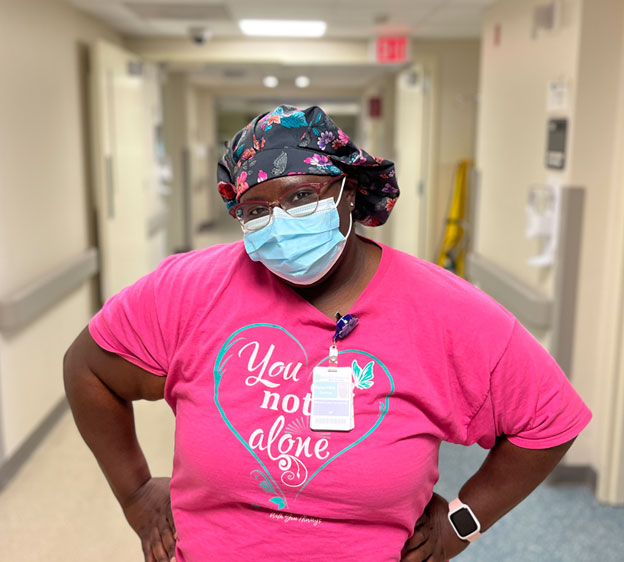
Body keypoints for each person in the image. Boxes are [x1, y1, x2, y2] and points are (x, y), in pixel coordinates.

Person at [63, 105, 591, 562]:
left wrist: (462, 522)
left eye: (301, 197)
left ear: (349, 191)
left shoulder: (444, 311)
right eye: (256, 210)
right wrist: (134, 493)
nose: (279, 223)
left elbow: (549, 420)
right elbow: (88, 367)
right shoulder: (189, 289)